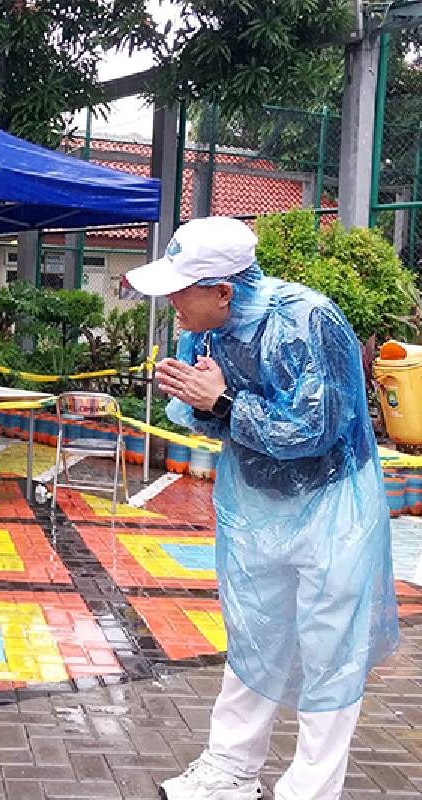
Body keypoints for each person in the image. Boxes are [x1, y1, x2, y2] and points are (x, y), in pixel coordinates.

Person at [123, 216, 398, 800]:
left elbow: (316, 427)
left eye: (180, 288)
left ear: (222, 291)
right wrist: (197, 398)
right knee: (253, 635)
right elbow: (204, 414)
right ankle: (230, 769)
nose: (171, 301)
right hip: (256, 509)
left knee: (329, 652)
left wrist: (223, 400)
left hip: (330, 510)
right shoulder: (204, 329)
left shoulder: (308, 321)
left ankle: (311, 789)